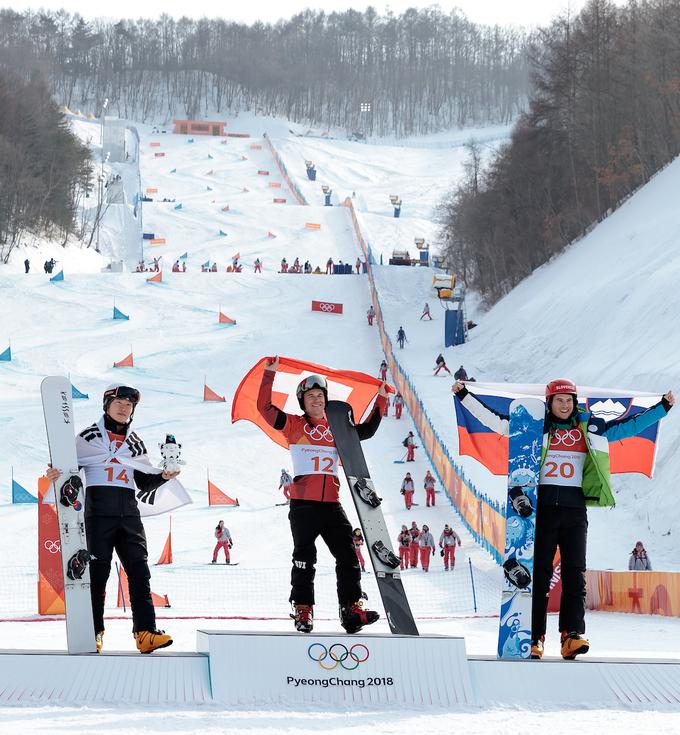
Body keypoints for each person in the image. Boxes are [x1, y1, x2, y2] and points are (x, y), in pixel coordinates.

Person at [452, 377, 674, 660]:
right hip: (543, 509)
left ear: (575, 402)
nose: (565, 405)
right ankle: (534, 638)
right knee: (540, 576)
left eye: (569, 400)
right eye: (560, 400)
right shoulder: (535, 427)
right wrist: (464, 396)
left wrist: (662, 408)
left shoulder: (590, 428)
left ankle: (571, 635)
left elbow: (629, 427)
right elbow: (496, 422)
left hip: (574, 510)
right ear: (550, 403)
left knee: (574, 575)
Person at [45, 384, 179, 655]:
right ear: (106, 405)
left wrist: (162, 477)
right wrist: (54, 473)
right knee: (96, 577)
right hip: (98, 517)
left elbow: (142, 480)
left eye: (129, 405)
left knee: (140, 575)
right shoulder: (88, 437)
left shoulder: (134, 442)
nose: (124, 408)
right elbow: (67, 468)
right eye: (119, 403)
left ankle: (145, 633)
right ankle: (93, 633)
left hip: (130, 518)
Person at [257, 357, 387, 634]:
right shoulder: (294, 425)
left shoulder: (338, 429)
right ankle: (303, 610)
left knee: (349, 556)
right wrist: (270, 374)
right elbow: (264, 409)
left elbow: (367, 430)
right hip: (304, 506)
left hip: (332, 505)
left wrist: (382, 401)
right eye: (311, 396)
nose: (316, 400)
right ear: (303, 403)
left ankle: (352, 609)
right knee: (304, 558)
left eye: (320, 395)